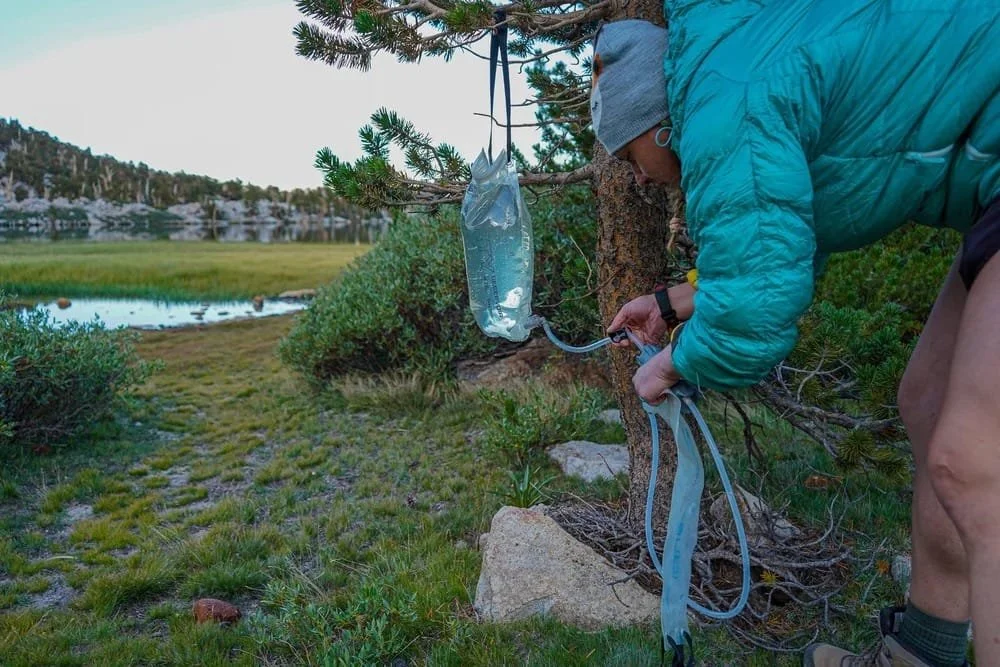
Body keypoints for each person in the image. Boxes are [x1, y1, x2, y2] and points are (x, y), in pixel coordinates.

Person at [590, 5, 1000, 666]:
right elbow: (780, 248)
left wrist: (675, 365)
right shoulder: (729, 70)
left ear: (657, 127)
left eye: (628, 152)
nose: (633, 175)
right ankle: (919, 653)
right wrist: (672, 304)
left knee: (974, 460)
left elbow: (757, 311)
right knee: (927, 400)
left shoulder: (726, 105)